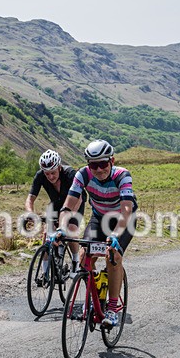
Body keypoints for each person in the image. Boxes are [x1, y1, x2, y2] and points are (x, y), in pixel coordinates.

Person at [57, 139, 137, 329]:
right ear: (88, 165)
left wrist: (115, 235)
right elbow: (68, 206)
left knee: (113, 256)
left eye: (103, 164)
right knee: (84, 256)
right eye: (94, 165)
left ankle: (112, 308)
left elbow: (126, 209)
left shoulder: (122, 175)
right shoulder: (82, 175)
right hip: (99, 218)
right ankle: (95, 294)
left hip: (123, 220)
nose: (99, 169)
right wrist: (61, 228)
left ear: (112, 161)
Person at [25, 149, 85, 274]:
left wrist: (67, 218)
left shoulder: (70, 174)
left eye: (53, 172)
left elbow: (78, 198)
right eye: (47, 174)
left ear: (59, 167)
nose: (50, 177)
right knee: (47, 234)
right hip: (56, 204)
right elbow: (30, 199)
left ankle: (76, 261)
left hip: (74, 202)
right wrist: (30, 213)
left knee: (71, 230)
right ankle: (45, 272)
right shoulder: (40, 175)